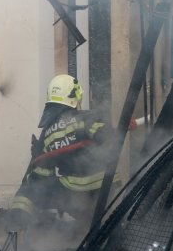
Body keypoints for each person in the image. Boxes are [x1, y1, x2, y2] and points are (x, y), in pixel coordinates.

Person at [9, 74, 114, 235]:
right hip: (106, 187)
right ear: (74, 96)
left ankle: (17, 226)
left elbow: (41, 177)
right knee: (97, 225)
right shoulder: (86, 118)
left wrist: (38, 159)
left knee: (30, 191)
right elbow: (107, 136)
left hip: (74, 191)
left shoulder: (48, 132)